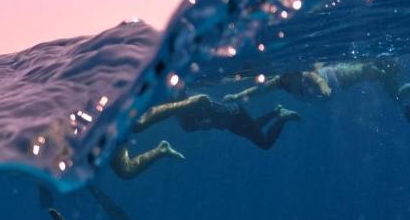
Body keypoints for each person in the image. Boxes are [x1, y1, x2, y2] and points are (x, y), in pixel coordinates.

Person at [225, 59, 410, 121]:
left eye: (289, 75)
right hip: (335, 86)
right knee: (376, 75)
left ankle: (394, 82)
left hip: (338, 78)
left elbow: (318, 79)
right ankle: (399, 93)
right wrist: (236, 96)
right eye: (284, 76)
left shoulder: (305, 75)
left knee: (369, 71)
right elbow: (258, 91)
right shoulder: (280, 82)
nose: (285, 78)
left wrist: (325, 88)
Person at [133, 93, 300, 150]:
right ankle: (276, 112)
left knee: (264, 143)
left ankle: (282, 117)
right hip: (231, 121)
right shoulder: (184, 118)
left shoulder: (194, 103)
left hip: (234, 115)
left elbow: (206, 110)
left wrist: (204, 121)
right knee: (253, 128)